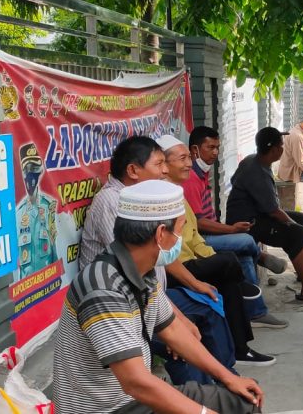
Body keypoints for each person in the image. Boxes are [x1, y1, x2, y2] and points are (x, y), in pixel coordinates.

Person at [53, 180, 263, 414]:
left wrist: (227, 377)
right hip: (110, 409)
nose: (181, 238)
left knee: (244, 399)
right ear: (161, 233)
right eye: (180, 229)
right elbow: (135, 382)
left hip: (134, 401)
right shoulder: (103, 288)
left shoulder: (143, 272)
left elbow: (172, 330)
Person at [80, 136, 275, 367]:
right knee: (182, 343)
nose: (164, 171)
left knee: (209, 305)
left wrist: (195, 285)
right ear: (133, 170)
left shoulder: (144, 196)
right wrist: (173, 322)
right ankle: (212, 382)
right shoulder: (113, 202)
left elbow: (159, 252)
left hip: (151, 292)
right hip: (126, 304)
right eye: (159, 164)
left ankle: (227, 372)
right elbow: (135, 268)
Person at [161, 135, 289, 331]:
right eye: (183, 159)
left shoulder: (185, 184)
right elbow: (190, 236)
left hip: (196, 249)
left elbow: (193, 235)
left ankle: (254, 311)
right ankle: (258, 266)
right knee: (242, 244)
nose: (189, 163)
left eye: (217, 147)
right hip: (184, 260)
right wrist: (230, 230)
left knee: (241, 257)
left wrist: (211, 255)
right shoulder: (175, 190)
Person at [226, 127, 303, 303]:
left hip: (257, 214)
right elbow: (275, 212)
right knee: (298, 232)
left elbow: (236, 182)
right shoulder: (257, 173)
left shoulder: (253, 160)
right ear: (275, 150)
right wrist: (293, 225)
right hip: (247, 224)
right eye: (281, 146)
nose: (283, 149)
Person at [184, 126, 289, 276]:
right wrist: (231, 229)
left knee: (244, 255)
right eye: (211, 147)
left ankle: (251, 290)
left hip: (211, 233)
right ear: (195, 150)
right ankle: (262, 257)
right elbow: (198, 222)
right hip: (200, 238)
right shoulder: (191, 178)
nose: (215, 152)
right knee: (246, 240)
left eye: (217, 147)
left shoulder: (203, 172)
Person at [14, 142, 58, 280]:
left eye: (34, 169)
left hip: (47, 283)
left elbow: (54, 249)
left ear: (39, 172)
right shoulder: (18, 214)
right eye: (27, 170)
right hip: (27, 287)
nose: (30, 175)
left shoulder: (49, 206)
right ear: (22, 173)